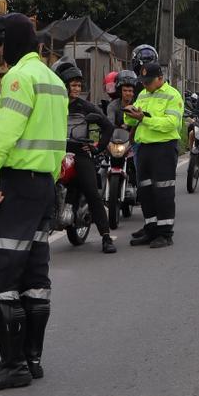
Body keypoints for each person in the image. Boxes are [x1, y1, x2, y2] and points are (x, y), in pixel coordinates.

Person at [0, 13, 69, 393]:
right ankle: (31, 359)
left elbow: (3, 135)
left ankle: (12, 365)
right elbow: (57, 142)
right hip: (44, 185)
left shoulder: (18, 78)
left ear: (12, 44)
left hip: (18, 186)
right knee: (34, 275)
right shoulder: (54, 81)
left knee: (1, 271)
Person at [54, 61, 116, 255]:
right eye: (73, 85)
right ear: (63, 86)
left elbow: (108, 126)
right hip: (56, 154)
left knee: (92, 193)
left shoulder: (86, 106)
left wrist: (97, 148)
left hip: (80, 154)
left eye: (79, 85)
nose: (77, 88)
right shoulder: (53, 105)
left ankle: (105, 237)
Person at [124, 61, 184, 248]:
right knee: (145, 191)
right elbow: (134, 122)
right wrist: (129, 113)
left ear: (160, 78)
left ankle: (165, 233)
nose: (145, 84)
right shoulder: (142, 94)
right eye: (143, 81)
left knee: (163, 191)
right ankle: (150, 228)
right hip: (144, 148)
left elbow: (171, 124)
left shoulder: (172, 95)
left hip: (163, 148)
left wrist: (145, 118)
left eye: (149, 81)